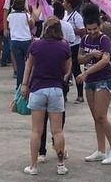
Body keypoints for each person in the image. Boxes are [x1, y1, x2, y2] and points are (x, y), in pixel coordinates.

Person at [20, 17, 71, 176]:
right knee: (57, 131)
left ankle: (34, 165)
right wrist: (62, 78)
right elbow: (68, 69)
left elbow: (29, 66)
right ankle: (61, 164)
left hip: (38, 89)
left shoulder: (35, 45)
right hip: (56, 89)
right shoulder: (64, 46)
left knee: (36, 130)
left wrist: (24, 85)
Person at [76, 4, 111, 165]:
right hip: (90, 82)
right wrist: (90, 55)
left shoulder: (104, 39)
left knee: (101, 115)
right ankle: (101, 150)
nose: (92, 32)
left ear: (99, 25)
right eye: (89, 29)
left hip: (104, 80)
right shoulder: (85, 39)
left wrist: (86, 72)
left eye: (95, 28)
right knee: (96, 117)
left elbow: (105, 60)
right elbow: (79, 58)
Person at [8, 0, 37, 89]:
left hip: (15, 41)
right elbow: (32, 24)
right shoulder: (26, 15)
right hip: (26, 40)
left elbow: (9, 26)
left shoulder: (10, 15)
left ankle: (19, 85)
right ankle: (29, 83)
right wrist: (29, 13)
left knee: (20, 65)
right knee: (30, 63)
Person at [63, 0, 86, 103]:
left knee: (76, 70)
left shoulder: (77, 16)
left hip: (75, 45)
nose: (63, 3)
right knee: (65, 70)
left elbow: (82, 31)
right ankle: (65, 93)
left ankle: (80, 95)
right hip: (66, 45)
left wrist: (71, 29)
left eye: (65, 2)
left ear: (69, 4)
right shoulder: (65, 15)